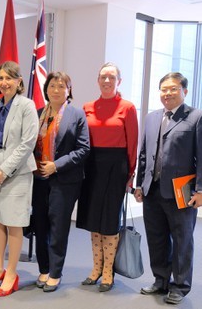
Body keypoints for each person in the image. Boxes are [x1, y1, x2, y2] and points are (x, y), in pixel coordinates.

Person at [134, 72, 202, 305]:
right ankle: (161, 280)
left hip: (182, 191)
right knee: (156, 237)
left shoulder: (197, 117)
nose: (167, 93)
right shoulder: (151, 117)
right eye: (164, 89)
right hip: (152, 190)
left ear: (184, 91)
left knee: (182, 239)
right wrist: (139, 184)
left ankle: (180, 286)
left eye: (173, 89)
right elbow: (144, 154)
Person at [76, 62, 138, 292]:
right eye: (103, 76)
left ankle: (108, 271)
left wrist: (130, 174)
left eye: (111, 77)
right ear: (97, 80)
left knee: (110, 221)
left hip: (116, 167)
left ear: (118, 81)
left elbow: (132, 143)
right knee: (94, 219)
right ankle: (95, 268)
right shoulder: (87, 107)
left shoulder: (127, 108)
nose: (107, 81)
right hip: (92, 166)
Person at [0, 61, 38, 297]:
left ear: (19, 81)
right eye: (1, 78)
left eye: (9, 78)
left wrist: (4, 170)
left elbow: (27, 143)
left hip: (16, 173)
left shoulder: (27, 105)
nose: (4, 83)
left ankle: (12, 273)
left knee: (14, 222)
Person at [31, 71, 90, 292]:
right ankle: (43, 269)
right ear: (46, 89)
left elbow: (84, 149)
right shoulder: (38, 114)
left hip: (64, 180)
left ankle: (55, 273)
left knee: (58, 226)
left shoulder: (77, 115)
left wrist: (57, 165)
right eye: (52, 85)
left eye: (61, 86)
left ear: (69, 91)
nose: (56, 89)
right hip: (38, 178)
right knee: (40, 224)